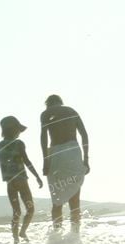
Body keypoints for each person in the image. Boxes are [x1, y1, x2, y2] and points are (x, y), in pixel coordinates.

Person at [39, 94, 90, 233]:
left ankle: (56, 235)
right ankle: (75, 235)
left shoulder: (46, 113)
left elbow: (43, 138)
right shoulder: (71, 111)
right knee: (75, 198)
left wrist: (45, 161)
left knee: (57, 200)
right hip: (73, 152)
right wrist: (86, 159)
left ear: (48, 104)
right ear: (60, 102)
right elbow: (84, 135)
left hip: (56, 154)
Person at [0, 115, 43, 244]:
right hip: (21, 180)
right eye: (17, 130)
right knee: (31, 209)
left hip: (10, 183)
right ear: (14, 130)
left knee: (16, 212)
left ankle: (15, 239)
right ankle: (22, 232)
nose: (19, 133)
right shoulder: (19, 143)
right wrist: (37, 176)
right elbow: (26, 161)